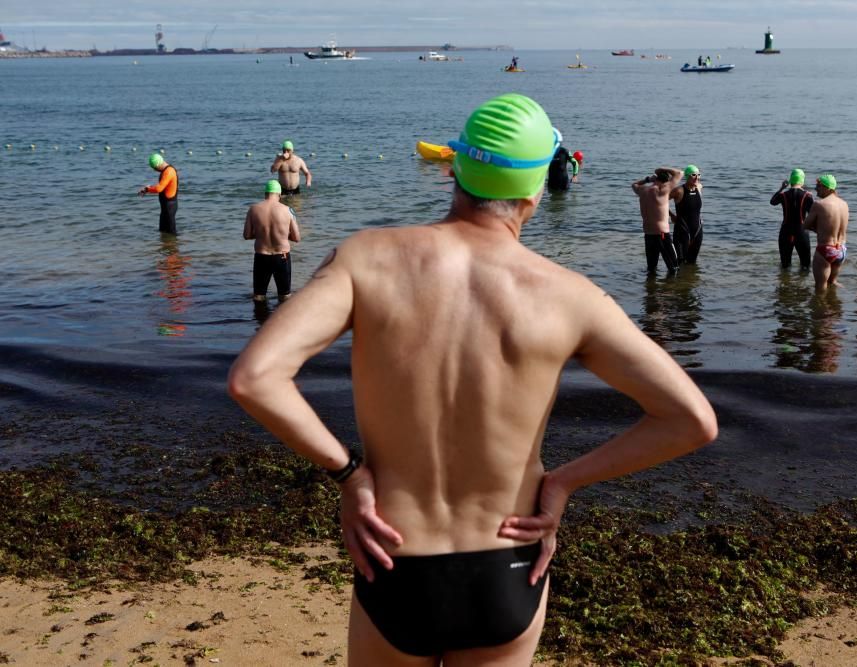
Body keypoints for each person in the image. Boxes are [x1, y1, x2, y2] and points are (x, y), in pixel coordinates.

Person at [227, 93, 717, 666]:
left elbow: (255, 378)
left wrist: (350, 475)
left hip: (395, 556)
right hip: (507, 561)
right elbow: (692, 421)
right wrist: (562, 483)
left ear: (455, 168)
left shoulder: (367, 259)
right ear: (536, 190)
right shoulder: (571, 296)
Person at [243, 179, 301, 303]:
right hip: (282, 257)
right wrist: (282, 235)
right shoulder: (288, 210)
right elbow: (297, 238)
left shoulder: (253, 209)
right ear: (279, 195)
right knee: (284, 296)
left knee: (259, 296)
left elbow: (247, 235)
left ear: (265, 194)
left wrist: (260, 234)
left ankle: (260, 320)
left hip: (261, 257)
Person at [804, 174, 849, 292]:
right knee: (832, 283)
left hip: (826, 249)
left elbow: (806, 225)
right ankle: (834, 305)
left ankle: (821, 307)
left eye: (818, 186)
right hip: (842, 250)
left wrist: (818, 230)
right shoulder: (844, 204)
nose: (816, 189)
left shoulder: (819, 204)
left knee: (820, 289)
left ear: (827, 188)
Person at [633, 167, 682, 275]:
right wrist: (660, 169)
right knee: (674, 268)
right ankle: (673, 290)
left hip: (648, 234)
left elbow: (634, 184)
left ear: (655, 179)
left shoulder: (643, 190)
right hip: (662, 234)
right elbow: (679, 173)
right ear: (666, 181)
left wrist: (647, 179)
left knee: (651, 269)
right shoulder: (663, 190)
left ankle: (651, 290)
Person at [770, 168, 815, 270]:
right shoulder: (807, 195)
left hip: (785, 231)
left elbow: (772, 202)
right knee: (805, 266)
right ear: (802, 181)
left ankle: (785, 283)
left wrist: (781, 188)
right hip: (802, 232)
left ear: (791, 180)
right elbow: (813, 214)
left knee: (785, 266)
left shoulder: (783, 195)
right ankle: (802, 284)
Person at [138, 152, 179, 235]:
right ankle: (164, 246)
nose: (154, 170)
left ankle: (173, 246)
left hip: (169, 206)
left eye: (154, 168)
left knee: (171, 233)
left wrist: (147, 189)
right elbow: (162, 186)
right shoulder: (166, 171)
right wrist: (147, 189)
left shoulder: (169, 171)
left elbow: (159, 188)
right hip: (165, 206)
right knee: (163, 232)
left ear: (158, 165)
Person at [670, 165, 704, 264]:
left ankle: (689, 279)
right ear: (687, 176)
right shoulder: (679, 191)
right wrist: (672, 215)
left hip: (697, 231)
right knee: (679, 261)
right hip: (682, 231)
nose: (697, 177)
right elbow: (661, 201)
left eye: (699, 175)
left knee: (692, 263)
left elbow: (695, 207)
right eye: (693, 175)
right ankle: (675, 279)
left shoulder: (699, 187)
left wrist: (699, 216)